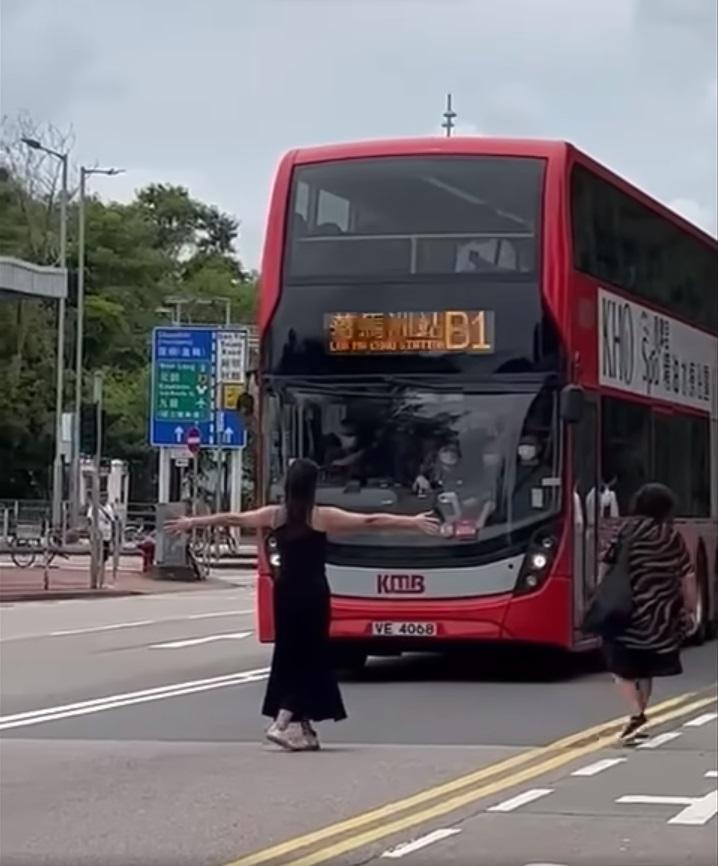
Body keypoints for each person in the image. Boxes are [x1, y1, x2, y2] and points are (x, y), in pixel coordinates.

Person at [166, 458, 439, 752]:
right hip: (312, 593)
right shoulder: (320, 516)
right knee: (311, 655)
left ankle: (303, 727)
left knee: (290, 653)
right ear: (312, 486)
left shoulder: (275, 515)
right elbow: (369, 521)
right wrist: (411, 522)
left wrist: (193, 522)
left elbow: (233, 519)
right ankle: (282, 723)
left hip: (284, 593)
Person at [600, 483, 698, 743]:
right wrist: (690, 608)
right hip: (662, 611)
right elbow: (687, 574)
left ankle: (635, 713)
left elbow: (606, 564)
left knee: (618, 664)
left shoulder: (626, 531)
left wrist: (602, 592)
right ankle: (640, 713)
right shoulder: (671, 536)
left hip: (628, 608)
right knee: (646, 666)